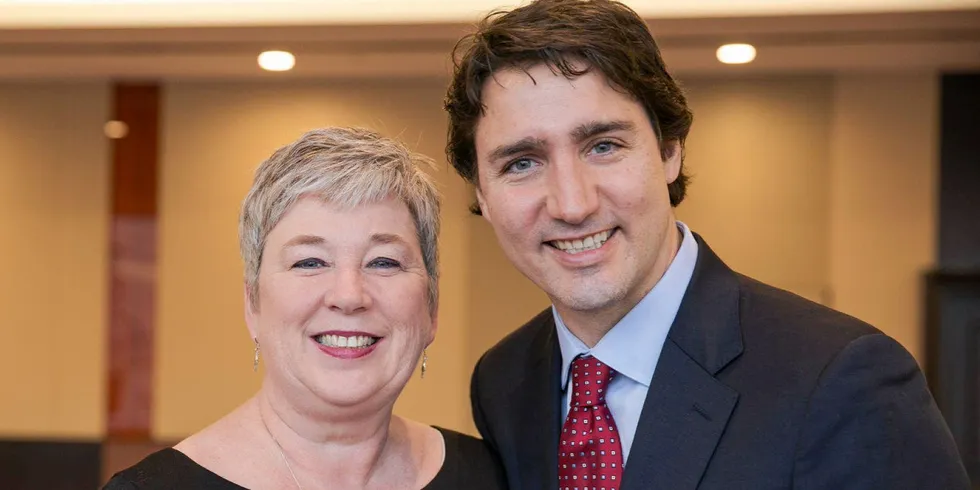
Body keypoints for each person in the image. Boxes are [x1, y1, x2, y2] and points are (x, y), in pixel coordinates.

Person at [444, 1, 970, 489]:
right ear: (482, 195)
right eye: (522, 163)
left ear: (670, 152)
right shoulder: (504, 380)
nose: (572, 204)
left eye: (603, 146)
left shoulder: (843, 379)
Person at [104, 128, 506, 490]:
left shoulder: (493, 476)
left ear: (431, 309)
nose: (349, 296)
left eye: (384, 262)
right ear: (253, 305)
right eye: (310, 262)